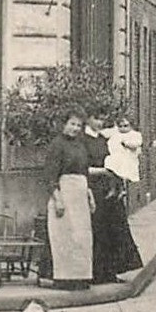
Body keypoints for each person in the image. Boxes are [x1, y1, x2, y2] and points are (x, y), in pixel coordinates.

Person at [43, 112, 94, 290]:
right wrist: (57, 199)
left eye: (78, 126)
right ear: (64, 124)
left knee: (81, 237)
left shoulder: (80, 145)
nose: (75, 128)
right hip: (65, 193)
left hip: (80, 195)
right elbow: (50, 175)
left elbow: (85, 171)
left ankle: (81, 277)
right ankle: (64, 278)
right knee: (65, 237)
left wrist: (89, 194)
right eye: (72, 124)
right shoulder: (57, 145)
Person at [91, 114, 144, 282]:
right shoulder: (98, 138)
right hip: (97, 191)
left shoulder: (130, 136)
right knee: (100, 232)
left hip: (111, 190)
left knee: (115, 231)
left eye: (101, 120)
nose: (99, 123)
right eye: (96, 118)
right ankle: (99, 272)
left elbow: (135, 145)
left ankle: (111, 271)